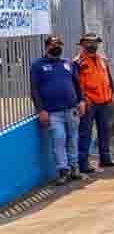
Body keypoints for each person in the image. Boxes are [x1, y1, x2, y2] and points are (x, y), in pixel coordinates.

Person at [30, 35, 86, 185]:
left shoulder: (68, 64)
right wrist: (41, 110)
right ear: (47, 46)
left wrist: (81, 101)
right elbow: (34, 90)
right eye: (54, 45)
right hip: (53, 112)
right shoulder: (38, 66)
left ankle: (74, 168)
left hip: (71, 109)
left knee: (73, 139)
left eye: (60, 45)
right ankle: (63, 171)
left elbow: (77, 84)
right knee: (59, 140)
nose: (57, 47)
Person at [76, 32, 114, 172]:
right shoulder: (78, 62)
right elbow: (76, 83)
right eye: (89, 43)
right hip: (90, 102)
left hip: (105, 101)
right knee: (86, 133)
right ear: (82, 44)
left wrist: (113, 92)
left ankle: (105, 159)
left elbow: (108, 77)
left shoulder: (102, 60)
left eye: (94, 43)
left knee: (105, 131)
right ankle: (83, 164)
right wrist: (82, 99)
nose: (92, 45)